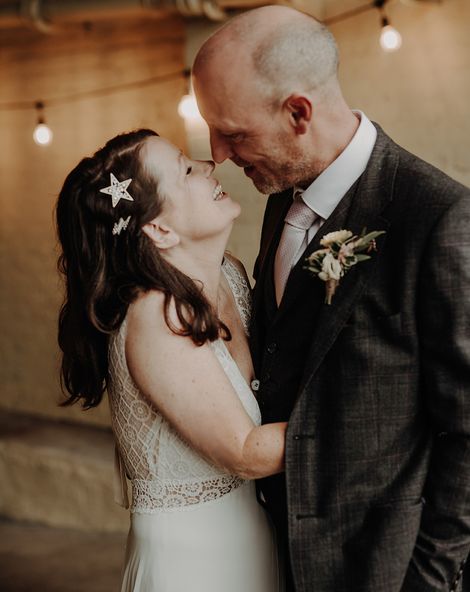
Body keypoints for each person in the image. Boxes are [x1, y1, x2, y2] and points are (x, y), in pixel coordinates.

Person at [192, 5, 470, 592]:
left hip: (381, 565)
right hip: (275, 555)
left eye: (233, 133)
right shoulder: (280, 195)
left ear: (299, 112)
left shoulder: (438, 218)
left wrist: (428, 576)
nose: (217, 153)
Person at [55, 128, 286, 592]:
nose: (209, 166)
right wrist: (372, 417)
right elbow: (245, 452)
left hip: (249, 532)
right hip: (192, 560)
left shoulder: (230, 275)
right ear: (159, 229)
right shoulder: (157, 314)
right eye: (186, 169)